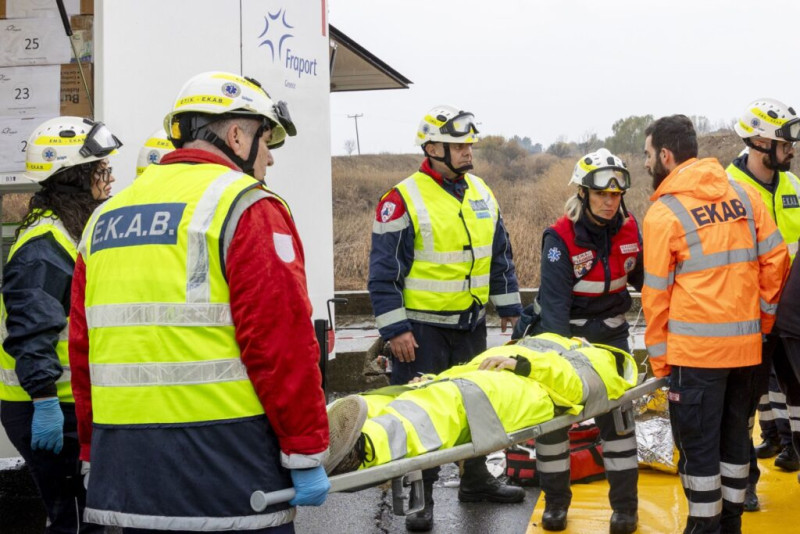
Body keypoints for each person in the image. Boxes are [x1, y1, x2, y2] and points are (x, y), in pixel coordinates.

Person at [68, 71, 330, 533]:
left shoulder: (104, 218)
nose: (268, 157)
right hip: (229, 473)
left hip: (127, 473)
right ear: (235, 134)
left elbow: (84, 350)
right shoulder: (246, 205)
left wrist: (91, 449)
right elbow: (281, 343)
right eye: (265, 140)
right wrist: (305, 449)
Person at [367, 105, 524, 531]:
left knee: (475, 406)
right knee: (420, 415)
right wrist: (395, 330)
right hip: (420, 332)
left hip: (470, 326)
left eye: (469, 144)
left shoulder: (481, 192)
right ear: (433, 147)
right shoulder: (401, 198)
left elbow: (500, 258)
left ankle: (475, 481)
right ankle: (422, 498)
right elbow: (383, 274)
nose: (468, 151)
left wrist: (509, 308)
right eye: (459, 145)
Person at [641, 114, 790, 534]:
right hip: (746, 355)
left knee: (700, 453)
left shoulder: (664, 214)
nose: (647, 163)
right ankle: (730, 525)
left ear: (666, 156)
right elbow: (775, 264)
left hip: (696, 360)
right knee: (734, 445)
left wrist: (661, 363)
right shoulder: (744, 197)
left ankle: (703, 528)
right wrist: (759, 326)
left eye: (649, 155)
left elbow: (656, 297)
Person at [0, 116, 120, 533]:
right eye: (102, 170)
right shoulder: (45, 244)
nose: (110, 179)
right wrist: (45, 401)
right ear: (76, 176)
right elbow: (31, 329)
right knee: (75, 519)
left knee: (89, 516)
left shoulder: (71, 229)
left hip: (68, 402)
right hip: (47, 405)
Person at [519, 148, 642, 533]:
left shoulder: (630, 228)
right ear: (584, 194)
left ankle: (625, 509)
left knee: (619, 425)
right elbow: (554, 310)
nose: (610, 202)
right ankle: (556, 502)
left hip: (612, 337)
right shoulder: (559, 238)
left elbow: (649, 282)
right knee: (554, 425)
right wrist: (565, 365)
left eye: (616, 195)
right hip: (563, 335)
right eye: (602, 194)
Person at [325, 333, 638, 478]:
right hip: (481, 382)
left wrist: (524, 365)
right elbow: (477, 366)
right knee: (407, 395)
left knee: (432, 415)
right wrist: (435, 377)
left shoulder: (603, 363)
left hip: (513, 397)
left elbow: (575, 389)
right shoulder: (559, 342)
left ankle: (360, 451)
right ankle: (322, 434)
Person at [726, 98, 800, 510]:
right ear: (759, 142)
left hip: (793, 317)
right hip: (749, 317)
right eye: (785, 143)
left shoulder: (793, 187)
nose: (792, 150)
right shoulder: (728, 190)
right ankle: (745, 482)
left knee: (796, 392)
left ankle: (792, 449)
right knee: (745, 404)